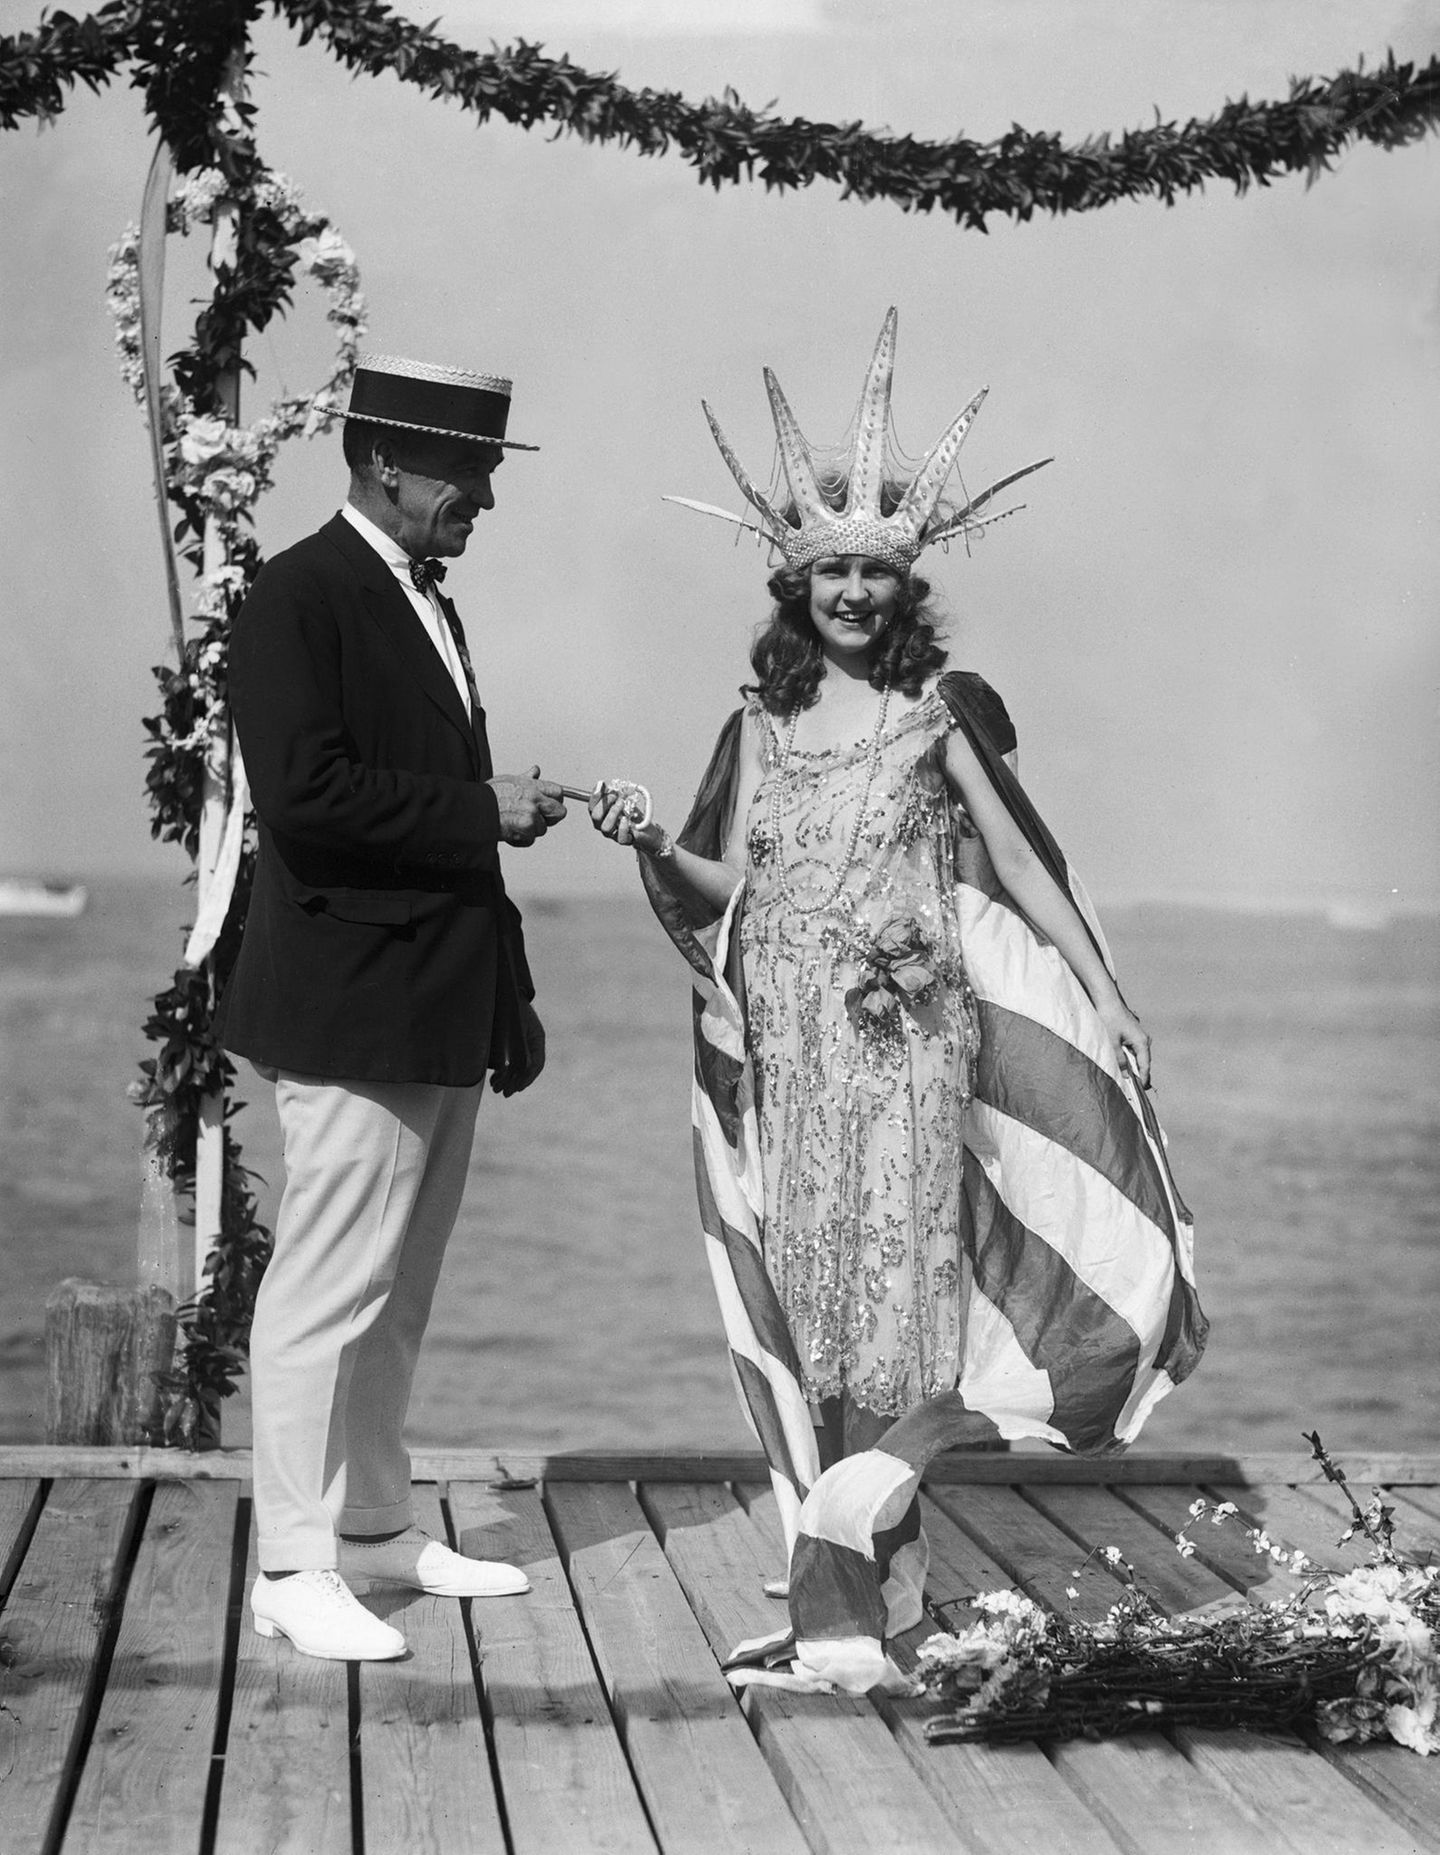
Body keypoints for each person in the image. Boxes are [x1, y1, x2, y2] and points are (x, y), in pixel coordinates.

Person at [591, 310, 1206, 1692]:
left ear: (903, 586)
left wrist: (1108, 1000)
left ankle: (855, 1585)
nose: (856, 593)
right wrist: (642, 836)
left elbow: (1032, 875)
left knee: (902, 1306)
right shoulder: (758, 722)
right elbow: (724, 879)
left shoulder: (934, 714)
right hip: (796, 1053)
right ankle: (870, 1588)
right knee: (815, 1305)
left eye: (876, 571)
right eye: (834, 573)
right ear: (795, 590)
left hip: (911, 1049)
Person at [216, 352, 567, 1662]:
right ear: (384, 464)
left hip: (435, 1002)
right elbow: (306, 799)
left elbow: (417, 809)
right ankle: (296, 1562)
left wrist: (509, 1002)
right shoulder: (297, 596)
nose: (482, 497)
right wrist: (483, 809)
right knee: (328, 1288)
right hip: (347, 1006)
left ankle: (370, 1524)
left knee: (398, 1291)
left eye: (484, 472)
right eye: (466, 473)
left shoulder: (426, 600)